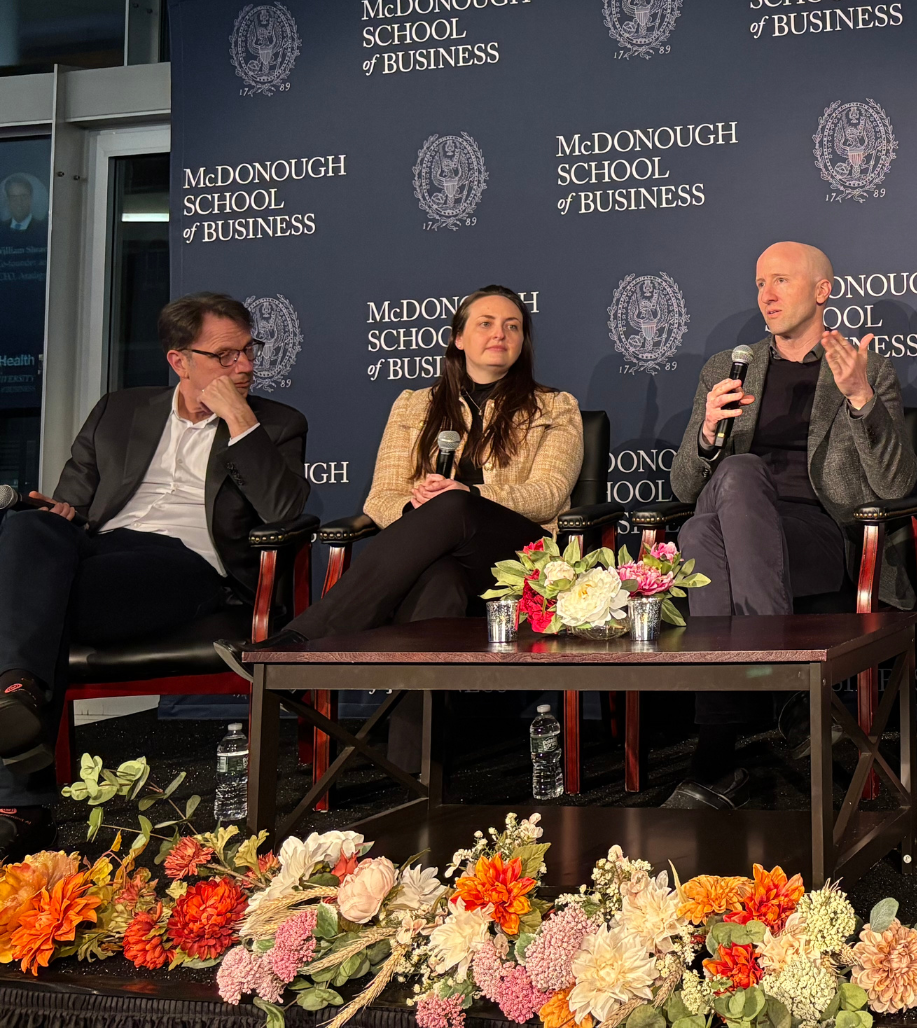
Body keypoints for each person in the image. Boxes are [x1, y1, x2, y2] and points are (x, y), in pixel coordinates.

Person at [0, 293, 309, 858]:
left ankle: (21, 799)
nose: (245, 366)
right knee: (24, 530)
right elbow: (71, 502)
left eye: (248, 351)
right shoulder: (119, 410)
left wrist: (241, 421)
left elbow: (285, 513)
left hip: (185, 564)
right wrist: (60, 514)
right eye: (225, 355)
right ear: (179, 361)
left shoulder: (277, 424)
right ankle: (15, 691)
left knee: (27, 602)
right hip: (99, 549)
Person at [224, 286, 581, 767]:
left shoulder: (554, 407)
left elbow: (548, 495)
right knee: (440, 584)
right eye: (486, 323)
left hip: (521, 559)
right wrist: (416, 507)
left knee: (455, 509)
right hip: (444, 558)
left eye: (513, 326)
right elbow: (381, 498)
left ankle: (306, 639)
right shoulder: (414, 406)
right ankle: (417, 775)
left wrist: (468, 496)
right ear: (458, 338)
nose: (501, 333)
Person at [665, 241, 917, 810]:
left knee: (721, 499)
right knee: (707, 519)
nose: (767, 295)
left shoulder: (865, 368)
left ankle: (717, 751)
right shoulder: (729, 368)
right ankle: (780, 682)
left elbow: (896, 485)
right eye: (759, 283)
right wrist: (706, 432)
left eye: (780, 280)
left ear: (822, 290)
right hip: (733, 532)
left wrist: (860, 400)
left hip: (817, 534)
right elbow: (684, 487)